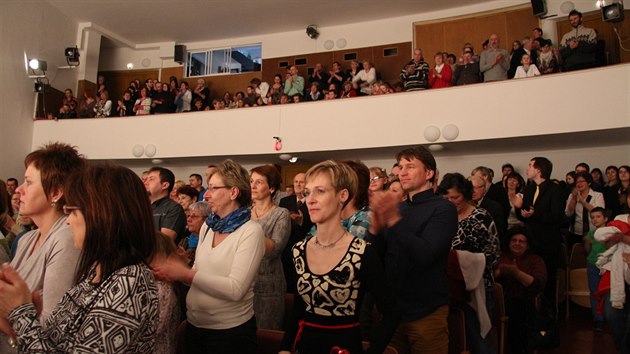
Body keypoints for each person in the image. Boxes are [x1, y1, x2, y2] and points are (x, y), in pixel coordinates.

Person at [0, 163, 159, 352]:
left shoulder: (129, 282)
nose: (68, 220)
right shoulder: (97, 271)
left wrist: (21, 313)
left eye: (73, 211)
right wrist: (24, 316)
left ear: (103, 214)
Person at [279, 160, 399, 354]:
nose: (310, 199)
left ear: (342, 195)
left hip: (344, 347)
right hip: (306, 346)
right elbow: (299, 309)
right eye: (308, 192)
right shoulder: (299, 250)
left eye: (320, 191)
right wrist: (285, 348)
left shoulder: (361, 252)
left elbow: (392, 314)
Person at [153, 159, 265, 353]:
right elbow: (199, 276)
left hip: (229, 333)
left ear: (233, 192)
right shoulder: (209, 226)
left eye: (213, 188)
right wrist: (180, 268)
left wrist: (185, 274)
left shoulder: (251, 231)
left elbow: (235, 289)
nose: (207, 194)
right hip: (195, 325)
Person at [368, 146, 458, 354]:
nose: (402, 172)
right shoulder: (399, 208)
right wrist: (374, 227)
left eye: (410, 166)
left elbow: (425, 254)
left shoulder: (443, 209)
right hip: (393, 310)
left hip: (426, 310)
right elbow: (375, 256)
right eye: (400, 167)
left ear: (429, 173)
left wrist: (392, 219)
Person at [0, 142, 85, 353]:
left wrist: (13, 309)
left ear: (55, 192)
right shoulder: (28, 239)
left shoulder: (66, 238)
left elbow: (51, 328)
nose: (19, 190)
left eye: (28, 182)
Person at [438, 173, 500, 354]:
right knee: (454, 337)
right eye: (446, 198)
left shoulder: (481, 217)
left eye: (455, 197)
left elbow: (494, 252)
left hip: (478, 286)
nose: (451, 201)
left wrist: (466, 261)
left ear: (465, 195)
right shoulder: (442, 218)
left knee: (480, 338)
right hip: (450, 285)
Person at [519, 156, 565, 316]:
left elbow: (558, 217)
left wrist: (534, 214)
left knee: (547, 281)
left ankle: (548, 317)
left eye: (530, 165)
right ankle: (529, 314)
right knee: (528, 278)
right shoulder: (529, 188)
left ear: (539, 170)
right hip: (530, 241)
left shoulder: (555, 189)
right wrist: (523, 214)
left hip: (548, 243)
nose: (527, 168)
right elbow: (523, 213)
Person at [249, 165, 290, 330]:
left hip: (269, 286)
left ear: (272, 188)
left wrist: (249, 231)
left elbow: (275, 249)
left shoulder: (281, 214)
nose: (252, 186)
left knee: (266, 335)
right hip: (245, 284)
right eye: (251, 181)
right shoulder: (244, 212)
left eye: (258, 182)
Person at [495, 227, 547, 354]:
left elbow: (538, 284)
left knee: (517, 309)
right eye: (514, 240)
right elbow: (490, 279)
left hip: (524, 302)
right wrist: (500, 272)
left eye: (521, 241)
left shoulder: (535, 260)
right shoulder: (501, 257)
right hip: (498, 301)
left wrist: (516, 273)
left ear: (527, 245)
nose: (517, 243)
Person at [279, 172, 313, 294]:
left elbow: (314, 226)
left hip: (306, 248)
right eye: (296, 182)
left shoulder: (312, 201)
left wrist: (301, 221)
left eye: (301, 182)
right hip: (287, 248)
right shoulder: (284, 201)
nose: (298, 184)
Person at [144, 166, 187, 242]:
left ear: (164, 185)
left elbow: (164, 242)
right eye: (146, 179)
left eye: (151, 179)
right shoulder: (143, 207)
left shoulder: (173, 208)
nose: (145, 183)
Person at [565, 171, 605, 250]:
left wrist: (583, 202)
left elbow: (599, 212)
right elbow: (568, 213)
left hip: (592, 232)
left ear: (589, 183)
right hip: (575, 232)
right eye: (577, 182)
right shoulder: (572, 195)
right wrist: (573, 198)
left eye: (581, 181)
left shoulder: (597, 195)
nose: (578, 184)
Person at [583, 207, 608, 331]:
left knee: (607, 292)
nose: (595, 219)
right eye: (592, 217)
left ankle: (608, 317)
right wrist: (587, 242)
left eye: (598, 217)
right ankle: (598, 319)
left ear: (605, 218)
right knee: (594, 292)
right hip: (592, 264)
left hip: (607, 265)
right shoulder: (590, 233)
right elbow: (587, 250)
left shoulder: (610, 232)